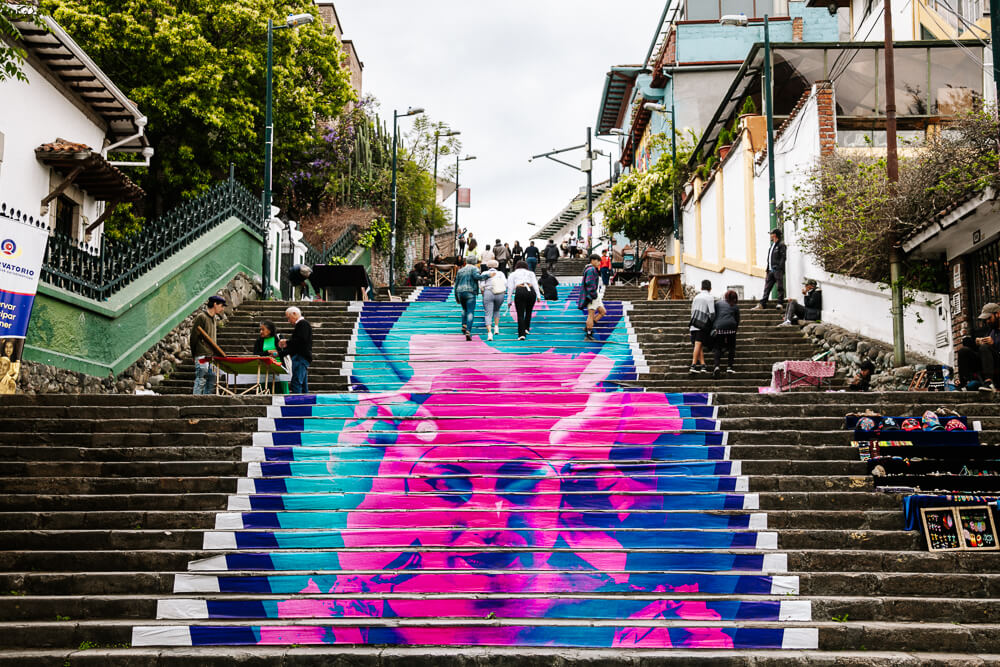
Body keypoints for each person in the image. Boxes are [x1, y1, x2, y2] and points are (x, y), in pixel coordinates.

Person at [190, 295, 226, 394]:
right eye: (221, 306)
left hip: (212, 356)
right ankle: (196, 402)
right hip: (201, 354)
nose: (222, 309)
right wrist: (194, 354)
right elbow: (193, 337)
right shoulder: (201, 317)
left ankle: (206, 401)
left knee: (212, 379)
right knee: (201, 378)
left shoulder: (214, 319)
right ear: (215, 304)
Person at [455, 256, 495, 341]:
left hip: (460, 292)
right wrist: (488, 275)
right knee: (470, 311)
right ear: (474, 262)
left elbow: (456, 283)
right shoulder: (474, 269)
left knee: (464, 309)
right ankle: (468, 331)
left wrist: (456, 296)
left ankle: (464, 324)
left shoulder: (460, 270)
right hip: (470, 292)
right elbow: (477, 277)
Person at [278, 306, 313, 394]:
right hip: (302, 357)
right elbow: (298, 343)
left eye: (289, 318)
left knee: (296, 382)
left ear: (294, 314)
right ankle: (305, 403)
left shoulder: (302, 324)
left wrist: (287, 342)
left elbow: (300, 341)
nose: (289, 321)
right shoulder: (302, 324)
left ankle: (299, 403)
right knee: (303, 384)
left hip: (300, 357)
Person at [506, 260, 541, 340]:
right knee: (529, 311)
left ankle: (521, 334)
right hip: (531, 291)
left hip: (520, 290)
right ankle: (526, 328)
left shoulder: (513, 274)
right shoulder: (530, 273)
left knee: (520, 314)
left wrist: (509, 300)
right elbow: (535, 284)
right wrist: (538, 296)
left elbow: (510, 288)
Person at [253, 320, 289, 393]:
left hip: (279, 368)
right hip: (265, 369)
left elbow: (285, 351)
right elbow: (255, 354)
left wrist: (275, 354)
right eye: (260, 329)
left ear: (270, 330)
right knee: (265, 390)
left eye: (263, 329)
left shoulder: (279, 338)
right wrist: (268, 352)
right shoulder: (259, 341)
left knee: (281, 390)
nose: (261, 331)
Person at [754, 229, 786, 310]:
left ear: (775, 235)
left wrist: (779, 268)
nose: (770, 236)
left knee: (780, 287)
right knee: (767, 288)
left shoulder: (781, 245)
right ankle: (762, 303)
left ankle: (780, 303)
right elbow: (769, 258)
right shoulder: (772, 245)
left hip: (777, 270)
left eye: (771, 234)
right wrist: (768, 269)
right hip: (770, 270)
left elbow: (783, 258)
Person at [711, 290, 740, 378]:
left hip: (719, 327)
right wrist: (735, 329)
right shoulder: (735, 307)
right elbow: (737, 319)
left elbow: (714, 315)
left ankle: (716, 366)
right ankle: (729, 367)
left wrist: (714, 326)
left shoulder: (718, 304)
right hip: (731, 327)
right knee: (731, 347)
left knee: (718, 347)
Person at [578, 254, 606, 341]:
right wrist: (592, 294)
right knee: (591, 315)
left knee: (602, 312)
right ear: (593, 260)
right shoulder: (591, 270)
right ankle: (589, 334)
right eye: (598, 261)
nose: (599, 263)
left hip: (595, 296)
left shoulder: (591, 269)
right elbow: (589, 283)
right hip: (592, 296)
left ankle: (588, 327)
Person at [689, 280, 714, 374]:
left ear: (701, 288)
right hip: (702, 324)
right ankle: (693, 365)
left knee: (698, 345)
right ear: (710, 288)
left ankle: (703, 365)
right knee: (698, 345)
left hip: (693, 323)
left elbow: (692, 311)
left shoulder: (696, 297)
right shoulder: (709, 297)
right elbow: (712, 313)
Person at [974, 303, 1000, 391]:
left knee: (985, 348)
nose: (987, 321)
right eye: (985, 320)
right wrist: (979, 343)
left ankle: (989, 382)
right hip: (991, 365)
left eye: (989, 318)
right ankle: (963, 383)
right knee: (964, 351)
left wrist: (993, 345)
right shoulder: (991, 331)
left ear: (998, 314)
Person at [481, 260, 507, 341]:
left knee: (488, 313)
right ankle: (496, 327)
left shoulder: (484, 273)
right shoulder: (501, 273)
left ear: (488, 266)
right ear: (497, 266)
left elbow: (481, 285)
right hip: (499, 293)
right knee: (497, 310)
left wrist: (483, 292)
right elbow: (505, 283)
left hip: (488, 292)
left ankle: (489, 333)